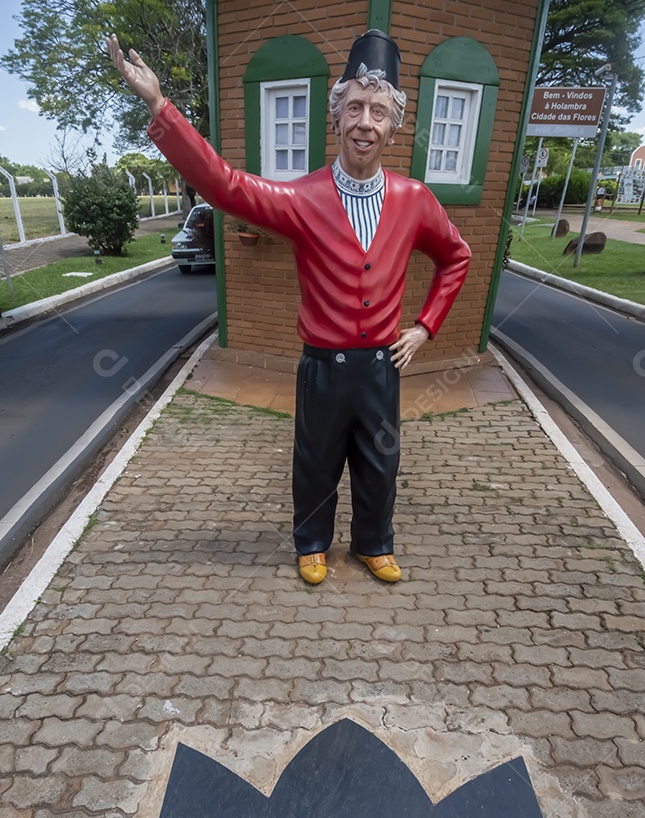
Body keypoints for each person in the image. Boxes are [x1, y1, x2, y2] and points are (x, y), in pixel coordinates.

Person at [108, 29, 470, 584]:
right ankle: (312, 543)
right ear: (337, 117)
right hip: (322, 365)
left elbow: (456, 257)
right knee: (316, 459)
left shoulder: (415, 200)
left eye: (378, 111)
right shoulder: (303, 199)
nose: (365, 123)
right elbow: (225, 186)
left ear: (394, 124)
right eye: (354, 108)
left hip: (381, 365)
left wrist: (425, 327)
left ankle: (375, 542)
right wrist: (161, 106)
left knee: (380, 464)